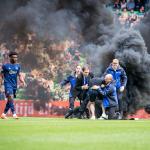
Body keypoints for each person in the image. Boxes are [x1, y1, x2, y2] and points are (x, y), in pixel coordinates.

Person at [0, 51, 26, 119]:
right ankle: (14, 113)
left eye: (16, 57)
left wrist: (23, 81)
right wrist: (0, 85)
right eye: (13, 57)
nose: (15, 58)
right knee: (10, 97)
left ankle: (3, 114)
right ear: (10, 58)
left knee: (10, 100)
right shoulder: (5, 66)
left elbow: (19, 75)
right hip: (7, 84)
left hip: (14, 85)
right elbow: (1, 76)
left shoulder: (18, 66)